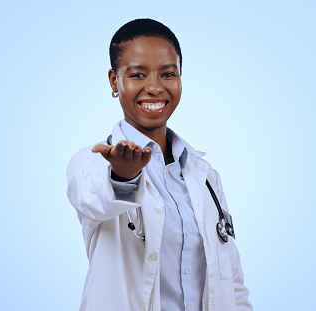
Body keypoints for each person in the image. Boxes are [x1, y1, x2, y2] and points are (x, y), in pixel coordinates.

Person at [66, 18, 253, 311]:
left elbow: (231, 280)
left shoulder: (205, 177)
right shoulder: (91, 162)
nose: (154, 87)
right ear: (115, 81)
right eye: (138, 75)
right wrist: (123, 178)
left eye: (167, 74)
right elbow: (94, 198)